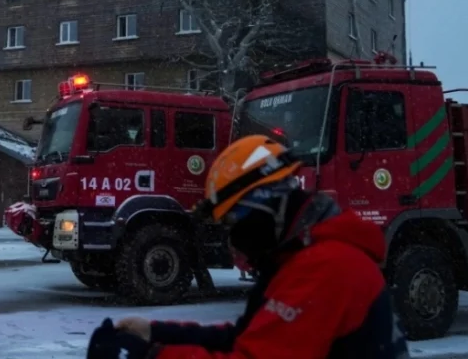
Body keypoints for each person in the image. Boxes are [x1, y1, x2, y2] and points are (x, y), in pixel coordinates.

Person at [86, 135, 410, 359]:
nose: (234, 234)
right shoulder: (299, 259)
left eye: (235, 218)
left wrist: (147, 355)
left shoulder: (327, 267)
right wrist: (157, 333)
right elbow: (247, 337)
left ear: (269, 202)